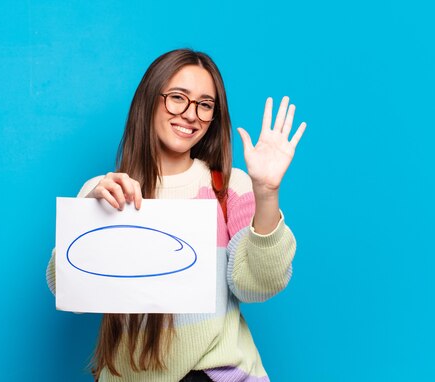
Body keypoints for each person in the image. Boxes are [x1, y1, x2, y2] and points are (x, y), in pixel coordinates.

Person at [46, 48, 307, 382]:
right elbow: (64, 289)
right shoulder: (105, 191)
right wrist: (91, 217)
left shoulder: (229, 187)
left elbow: (257, 286)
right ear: (149, 100)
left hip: (218, 374)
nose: (190, 114)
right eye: (177, 98)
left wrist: (267, 193)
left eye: (204, 105)